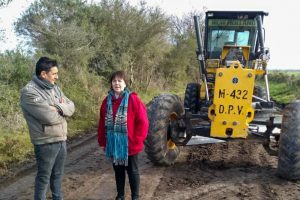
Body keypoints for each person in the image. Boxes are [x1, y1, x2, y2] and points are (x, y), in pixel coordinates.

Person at [20, 56, 75, 200]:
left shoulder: (55, 88)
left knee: (57, 176)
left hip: (61, 138)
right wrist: (63, 111)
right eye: (54, 73)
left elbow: (72, 106)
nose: (57, 77)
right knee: (44, 178)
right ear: (43, 74)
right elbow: (49, 117)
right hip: (45, 142)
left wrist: (56, 107)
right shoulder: (29, 92)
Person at [98, 71, 149, 200]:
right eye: (114, 81)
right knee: (118, 172)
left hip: (130, 144)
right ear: (111, 83)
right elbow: (101, 123)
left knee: (132, 172)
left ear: (125, 83)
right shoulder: (106, 101)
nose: (117, 83)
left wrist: (137, 140)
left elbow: (143, 122)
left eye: (120, 80)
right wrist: (103, 142)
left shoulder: (133, 99)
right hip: (114, 144)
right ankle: (120, 195)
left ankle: (135, 197)